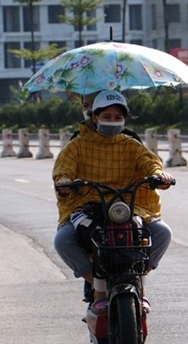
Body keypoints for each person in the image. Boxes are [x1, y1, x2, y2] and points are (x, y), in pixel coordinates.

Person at [53, 89, 174, 313]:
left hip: (128, 207)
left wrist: (160, 175)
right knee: (63, 240)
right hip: (87, 208)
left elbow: (150, 163)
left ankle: (140, 286)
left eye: (118, 117)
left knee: (161, 233)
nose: (112, 122)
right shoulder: (77, 146)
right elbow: (63, 171)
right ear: (95, 117)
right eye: (106, 117)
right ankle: (99, 288)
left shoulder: (131, 144)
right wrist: (64, 182)